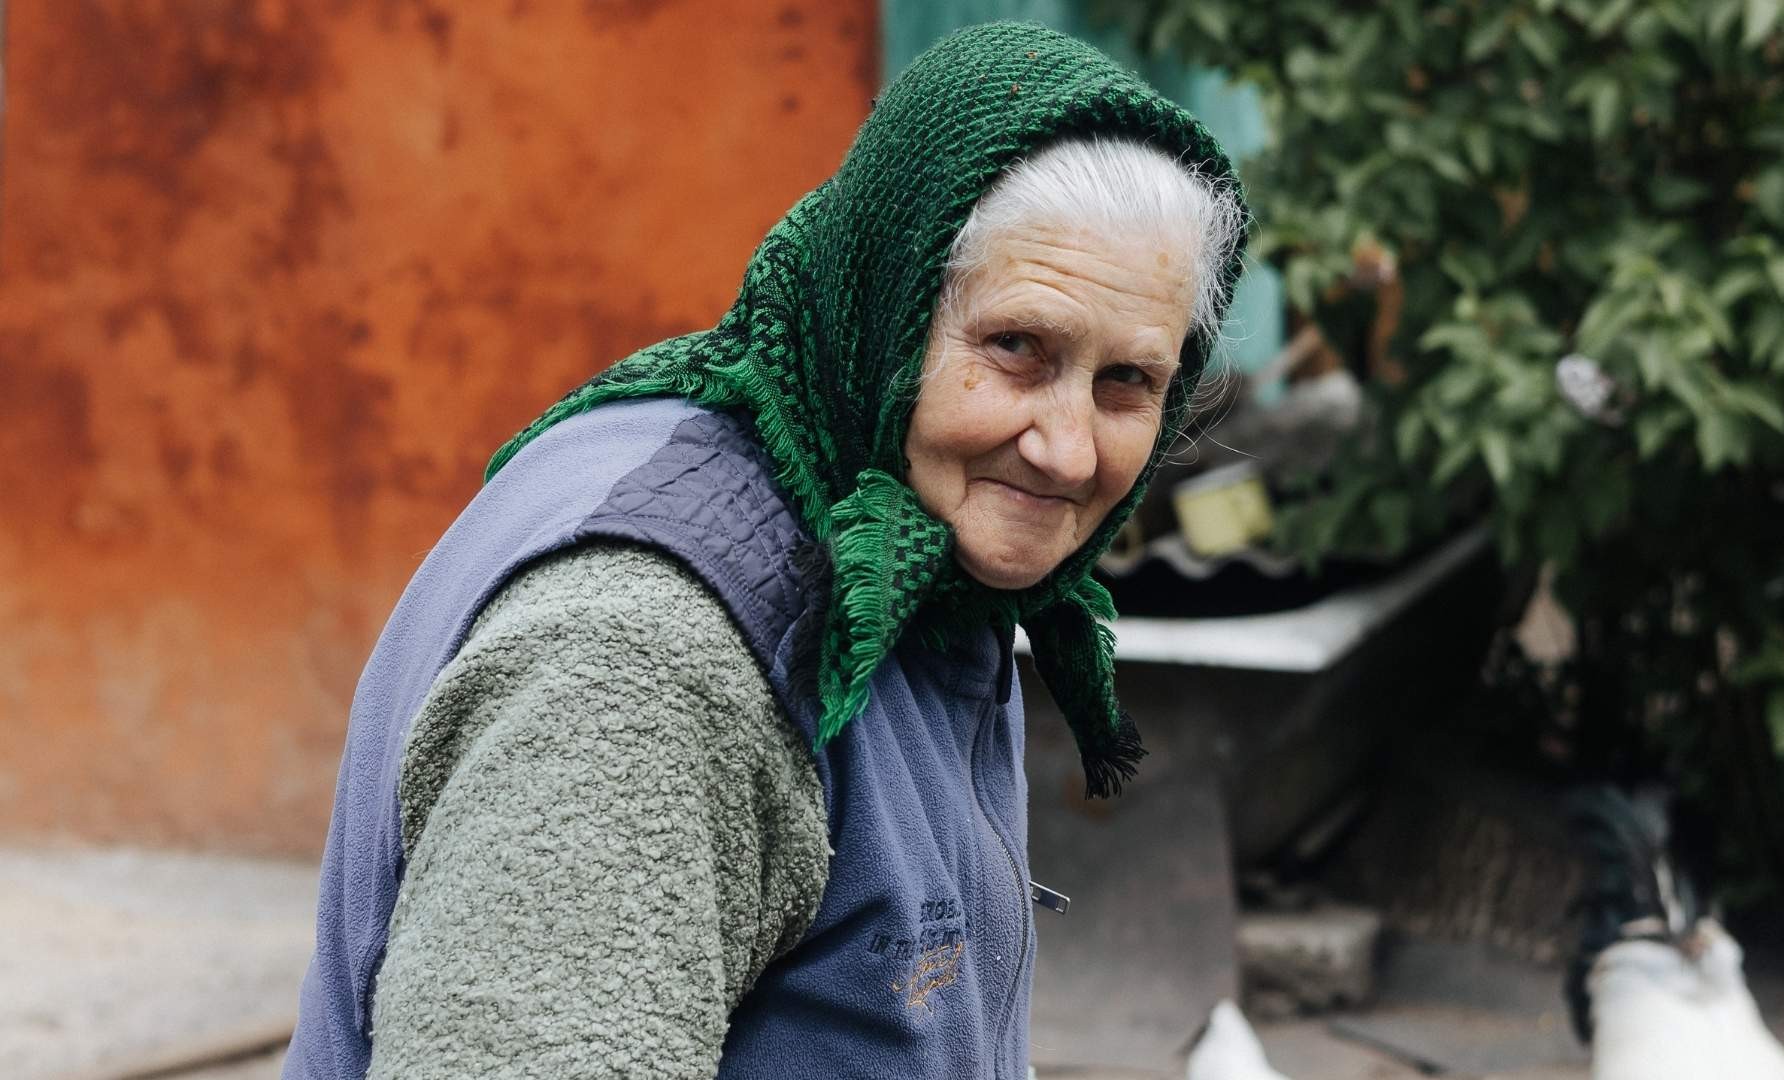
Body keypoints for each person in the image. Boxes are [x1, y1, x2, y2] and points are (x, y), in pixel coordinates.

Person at [285, 21, 1247, 1080]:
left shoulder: (922, 553)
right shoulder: (643, 670)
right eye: (1017, 349)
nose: (1067, 450)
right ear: (888, 305)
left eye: (1127, 385)